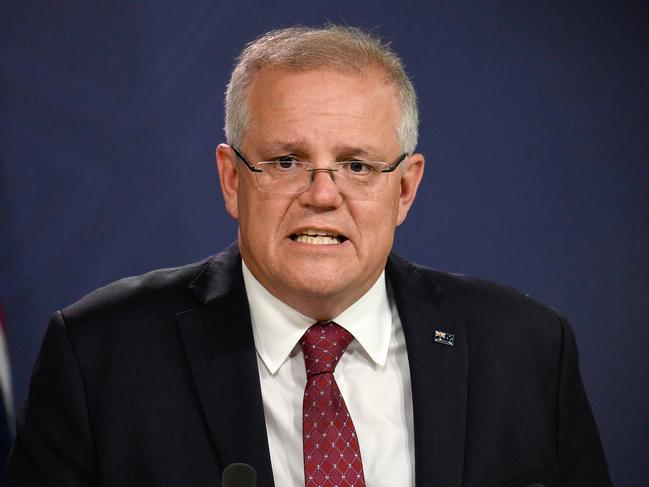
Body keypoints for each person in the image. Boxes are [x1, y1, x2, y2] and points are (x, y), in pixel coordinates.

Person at [4, 25, 611, 487]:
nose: (323, 195)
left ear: (404, 188)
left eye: (357, 165)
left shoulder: (527, 348)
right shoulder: (99, 356)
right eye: (287, 161)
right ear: (231, 179)